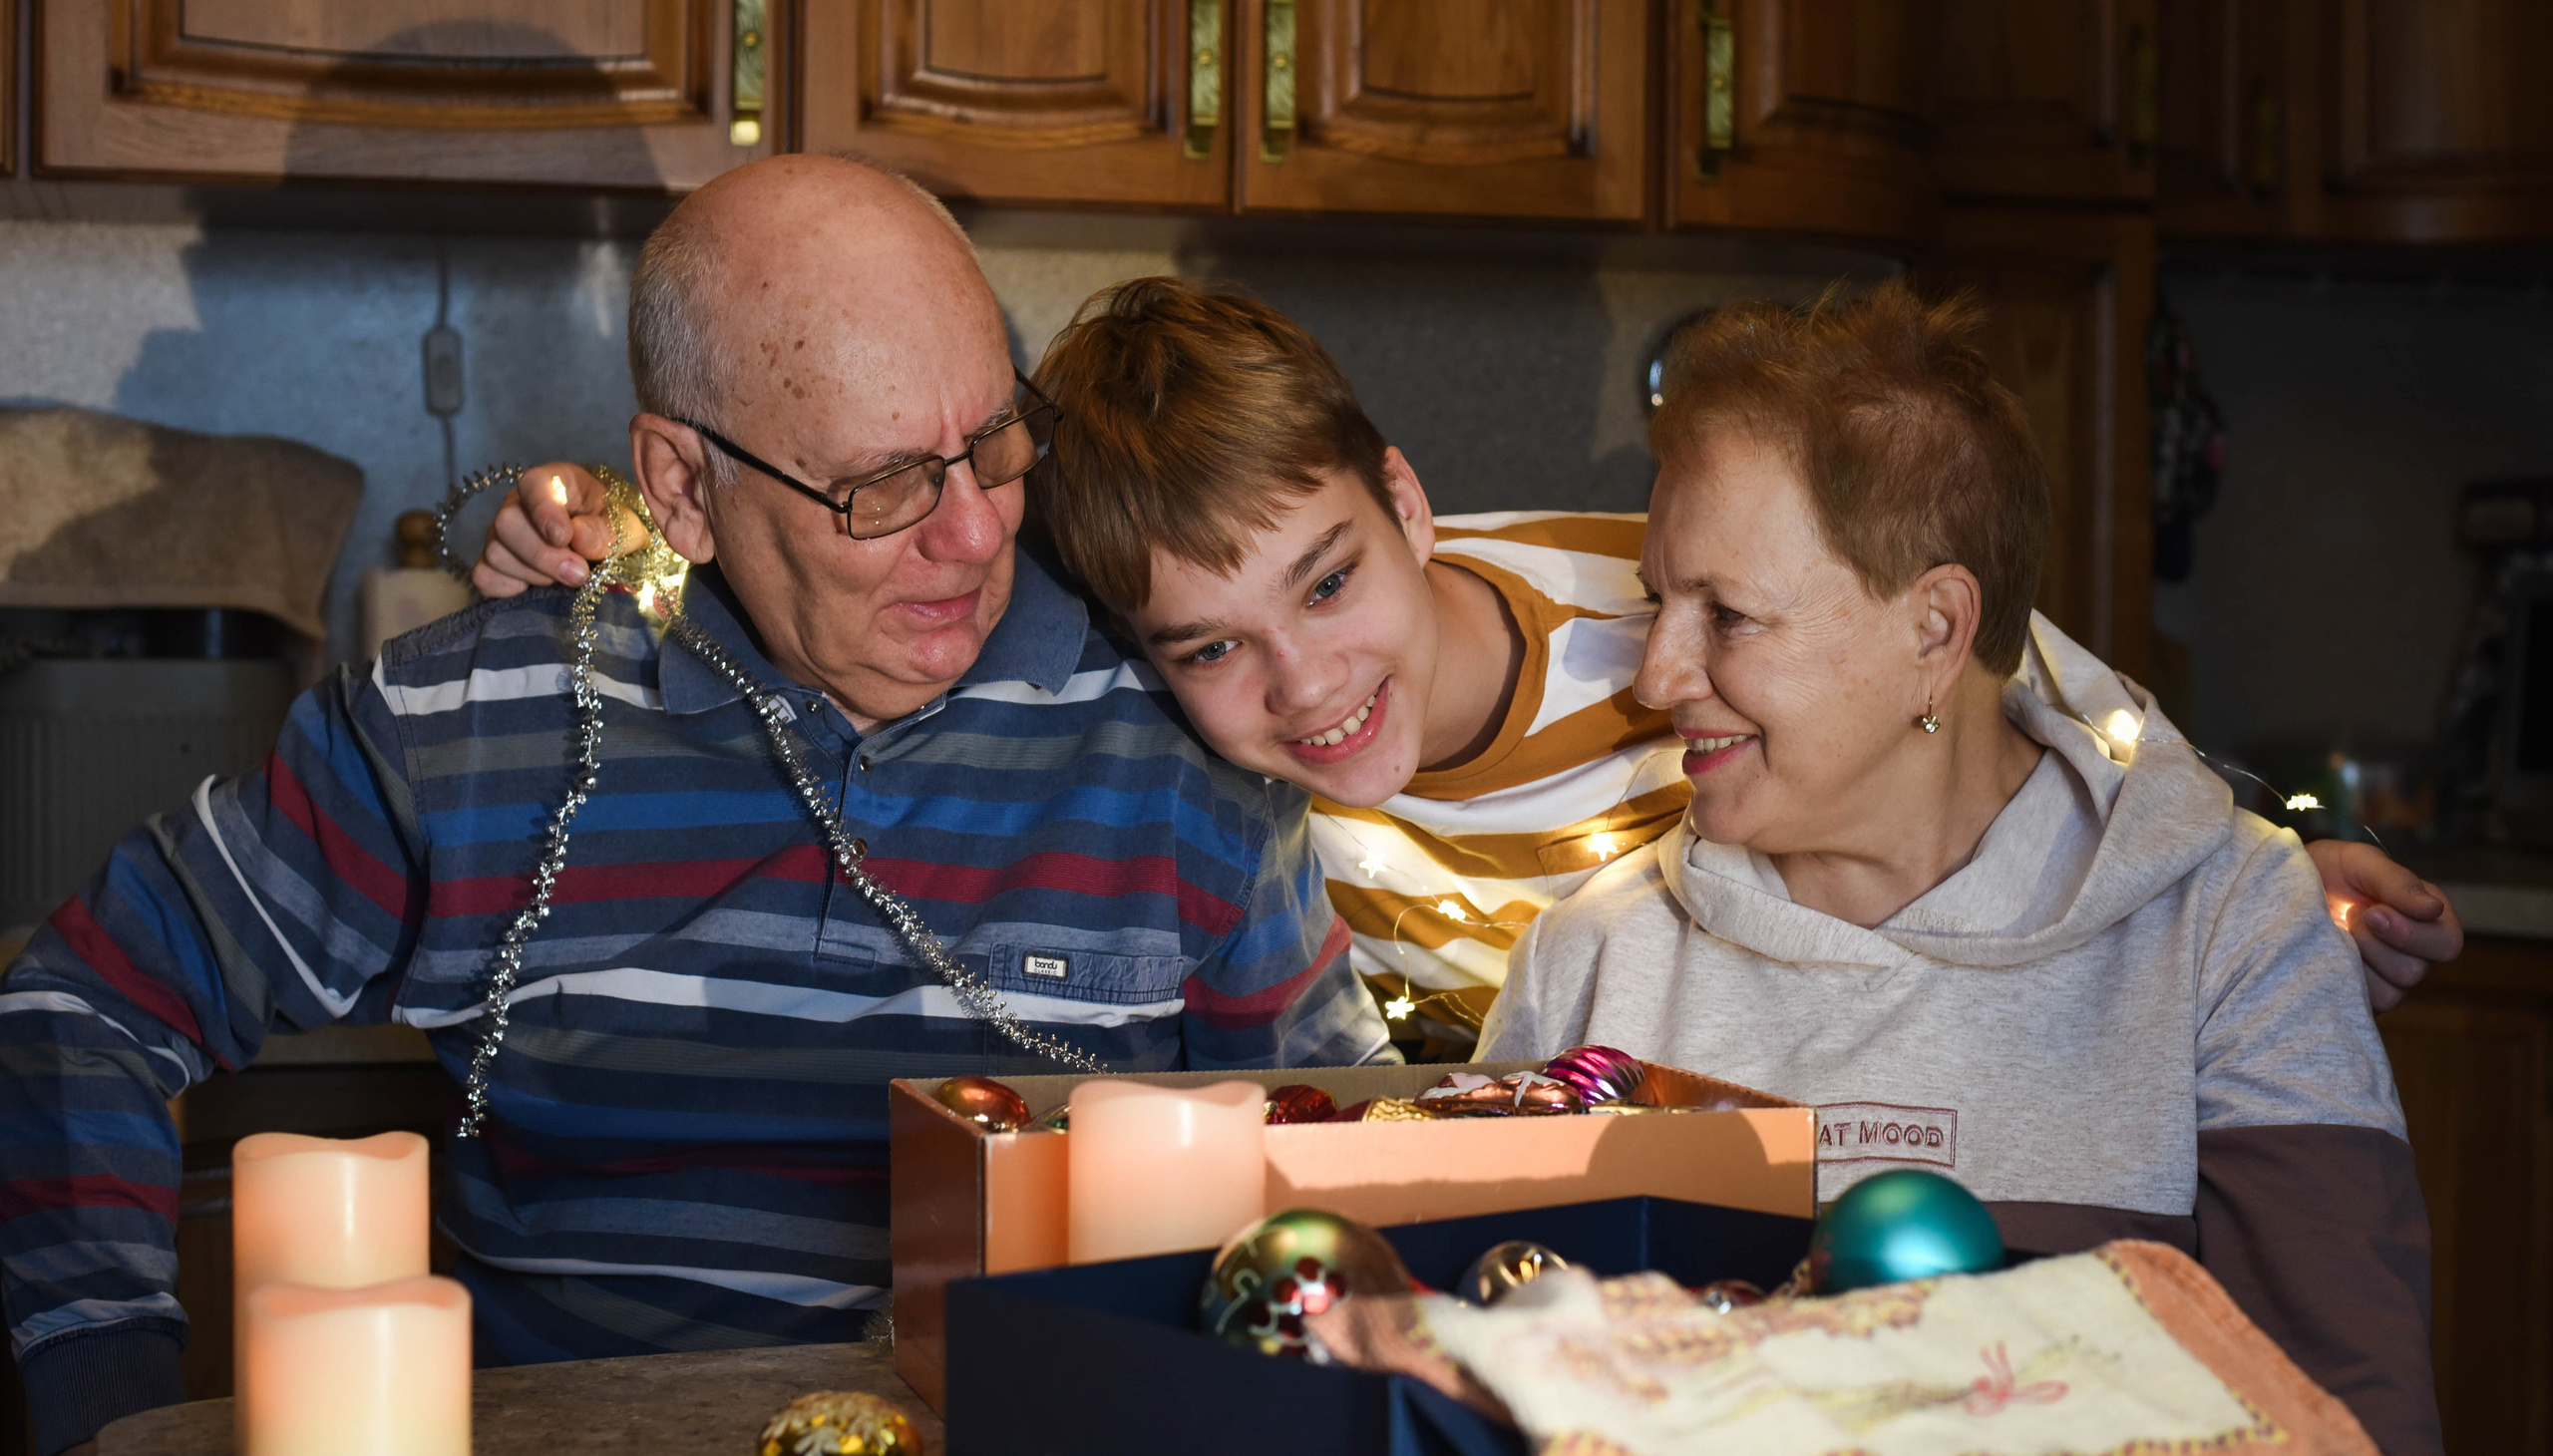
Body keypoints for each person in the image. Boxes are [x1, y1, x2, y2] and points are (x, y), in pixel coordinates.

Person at [0, 158, 1390, 1456]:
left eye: (996, 442)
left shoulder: (1175, 727)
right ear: (681, 484)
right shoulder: (475, 726)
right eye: (883, 486)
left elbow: (1350, 1147)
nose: (971, 534)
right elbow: (86, 1004)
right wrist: (105, 1403)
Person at [482, 278, 2460, 1058]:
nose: (1302, 686)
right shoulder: (1180, 737)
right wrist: (593, 537)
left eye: (1328, 578)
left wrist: (2263, 856)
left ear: (1406, 496)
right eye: (1212, 650)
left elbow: (2038, 695)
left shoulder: (1660, 595)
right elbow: (851, 561)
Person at [1478, 283, 2438, 1454]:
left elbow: (2346, 1414)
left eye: (1725, 614)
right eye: (1656, 603)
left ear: (1934, 629)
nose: (1657, 674)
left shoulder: (2229, 930)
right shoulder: (1590, 960)